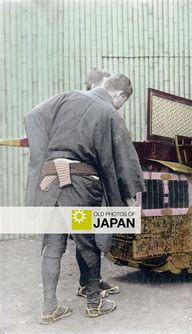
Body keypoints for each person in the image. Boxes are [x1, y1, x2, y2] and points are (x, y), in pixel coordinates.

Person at [25, 74, 145, 324]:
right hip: (80, 185)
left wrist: (44, 158)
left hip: (49, 181)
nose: (120, 106)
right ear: (119, 95)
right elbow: (124, 160)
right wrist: (130, 198)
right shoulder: (110, 113)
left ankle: (49, 308)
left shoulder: (67, 96)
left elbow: (33, 116)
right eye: (122, 102)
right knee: (87, 242)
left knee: (54, 246)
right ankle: (94, 303)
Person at [75, 68, 119, 300]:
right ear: (93, 86)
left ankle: (90, 281)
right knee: (87, 236)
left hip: (92, 183)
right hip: (82, 184)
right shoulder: (82, 108)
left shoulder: (94, 108)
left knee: (92, 235)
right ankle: (88, 286)